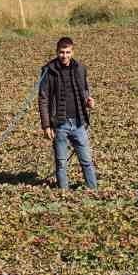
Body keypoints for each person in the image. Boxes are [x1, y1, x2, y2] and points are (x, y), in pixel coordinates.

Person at [37, 36, 99, 191]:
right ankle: (64, 193)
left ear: (73, 52)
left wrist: (88, 101)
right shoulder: (48, 71)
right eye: (61, 52)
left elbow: (84, 91)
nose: (64, 55)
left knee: (86, 161)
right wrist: (46, 126)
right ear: (56, 52)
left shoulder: (80, 68)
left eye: (67, 52)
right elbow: (43, 99)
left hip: (78, 123)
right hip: (60, 125)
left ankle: (94, 191)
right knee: (61, 163)